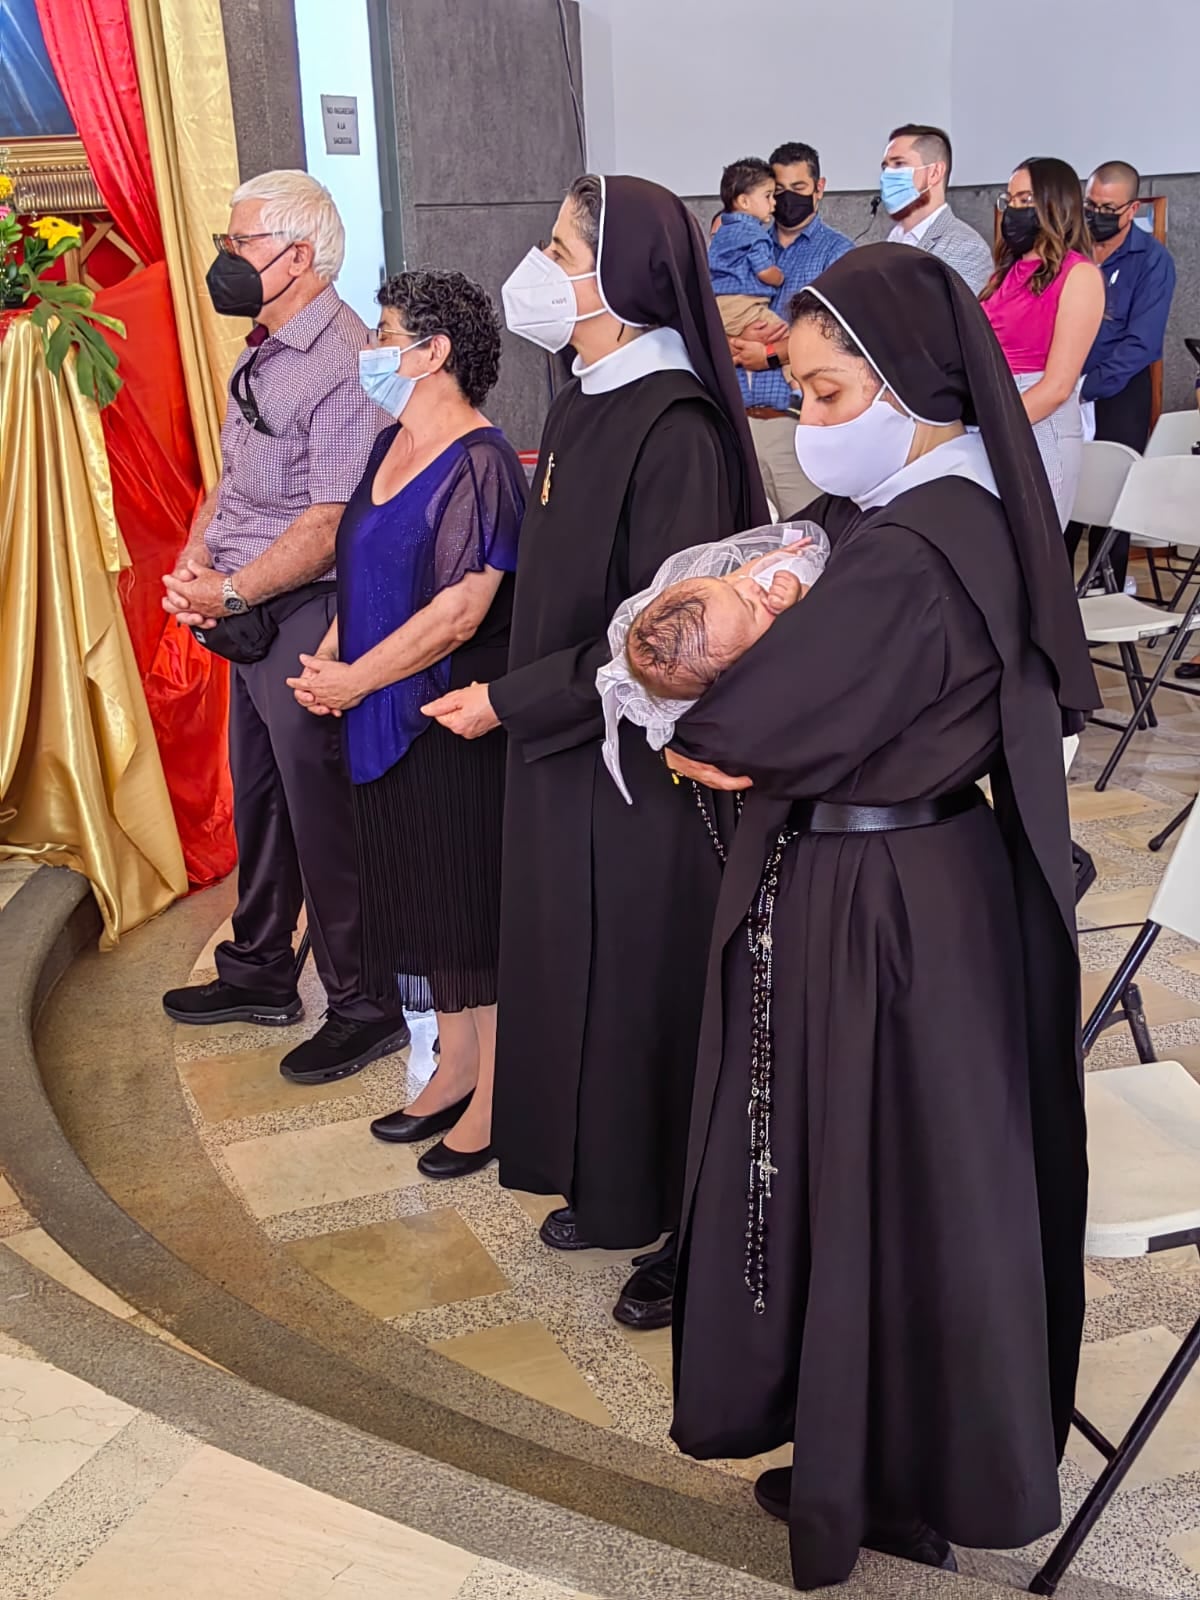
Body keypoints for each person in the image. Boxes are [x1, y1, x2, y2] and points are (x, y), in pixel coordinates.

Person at [668, 244, 1098, 1590]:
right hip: (909, 883)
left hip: (886, 905)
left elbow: (748, 722)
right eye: (795, 392)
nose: (808, 421)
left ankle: (890, 1480)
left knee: (878, 1188)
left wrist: (711, 706)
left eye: (829, 390)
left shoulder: (918, 545)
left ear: (912, 383)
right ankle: (876, 1453)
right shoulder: (919, 513)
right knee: (890, 1188)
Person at [424, 174, 766, 1331]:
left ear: (620, 271)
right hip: (564, 741)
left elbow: (657, 641)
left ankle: (677, 1216)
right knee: (572, 967)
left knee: (642, 987)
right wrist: (497, 684)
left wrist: (514, 701)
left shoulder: (678, 422)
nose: (539, 260)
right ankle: (602, 1174)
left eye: (561, 243)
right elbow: (558, 584)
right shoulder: (584, 391)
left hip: (636, 766)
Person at [161, 170, 409, 1083]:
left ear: (298, 257)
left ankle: (362, 1002)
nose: (224, 259)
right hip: (247, 596)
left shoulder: (342, 359)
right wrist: (199, 564)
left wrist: (229, 594)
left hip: (307, 608)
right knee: (261, 801)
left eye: (240, 244)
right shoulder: (267, 344)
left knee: (322, 815)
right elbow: (233, 477)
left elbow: (325, 522)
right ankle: (262, 968)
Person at [286, 270, 525, 1178]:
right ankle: (454, 1065)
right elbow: (364, 565)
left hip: (442, 718)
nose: (369, 347)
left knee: (468, 910)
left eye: (385, 331)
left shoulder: (481, 460)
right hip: (375, 706)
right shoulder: (391, 440)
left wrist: (357, 680)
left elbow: (458, 612)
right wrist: (332, 663)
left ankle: (498, 1093)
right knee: (419, 900)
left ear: (435, 352)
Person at [1067, 160, 1177, 589]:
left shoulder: (1151, 261)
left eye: (1107, 208)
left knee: (1110, 493)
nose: (1096, 214)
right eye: (1090, 204)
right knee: (1066, 492)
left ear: (1131, 209)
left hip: (1115, 390)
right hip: (1062, 386)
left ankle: (1104, 586)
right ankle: (1056, 590)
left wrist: (1087, 387)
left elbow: (1142, 343)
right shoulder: (1070, 248)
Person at [731, 142, 855, 517]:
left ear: (819, 189)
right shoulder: (742, 246)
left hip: (797, 425)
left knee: (812, 534)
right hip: (739, 425)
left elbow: (835, 335)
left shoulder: (838, 253)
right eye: (778, 191)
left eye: (798, 190)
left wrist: (768, 355)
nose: (787, 200)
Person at [981, 157, 1105, 527]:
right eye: (1010, 200)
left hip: (1037, 423)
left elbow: (1058, 386)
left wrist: (992, 426)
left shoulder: (1079, 275)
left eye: (1025, 200)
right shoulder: (1003, 274)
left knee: (1030, 559)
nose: (1014, 210)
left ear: (1055, 205)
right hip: (995, 412)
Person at [626, 550, 818, 699]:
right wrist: (799, 596)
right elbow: (824, 610)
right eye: (750, 606)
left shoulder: (730, 607)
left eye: (728, 584)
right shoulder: (776, 656)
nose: (749, 584)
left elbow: (743, 574)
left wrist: (771, 558)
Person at [879, 124, 993, 294]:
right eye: (885, 167)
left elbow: (953, 316)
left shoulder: (967, 247)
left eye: (899, 164)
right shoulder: (892, 239)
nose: (887, 175)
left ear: (935, 172)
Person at [708, 157, 787, 345]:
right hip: (745, 306)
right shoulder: (755, 235)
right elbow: (764, 271)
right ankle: (794, 375)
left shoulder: (722, 232)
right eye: (768, 196)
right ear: (744, 201)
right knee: (787, 338)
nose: (774, 203)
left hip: (719, 307)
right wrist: (779, 277)